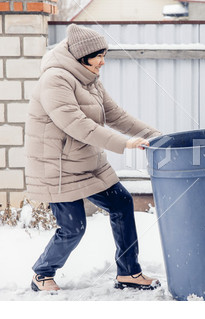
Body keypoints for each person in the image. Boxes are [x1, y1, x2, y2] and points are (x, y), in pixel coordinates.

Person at [25, 24, 161, 292]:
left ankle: (128, 273)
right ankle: (42, 274)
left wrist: (155, 135)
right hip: (58, 166)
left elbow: (116, 115)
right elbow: (76, 124)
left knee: (122, 203)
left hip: (86, 160)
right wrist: (125, 143)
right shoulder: (55, 79)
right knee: (73, 228)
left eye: (104, 54)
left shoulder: (90, 78)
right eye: (98, 55)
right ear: (81, 56)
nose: (103, 61)